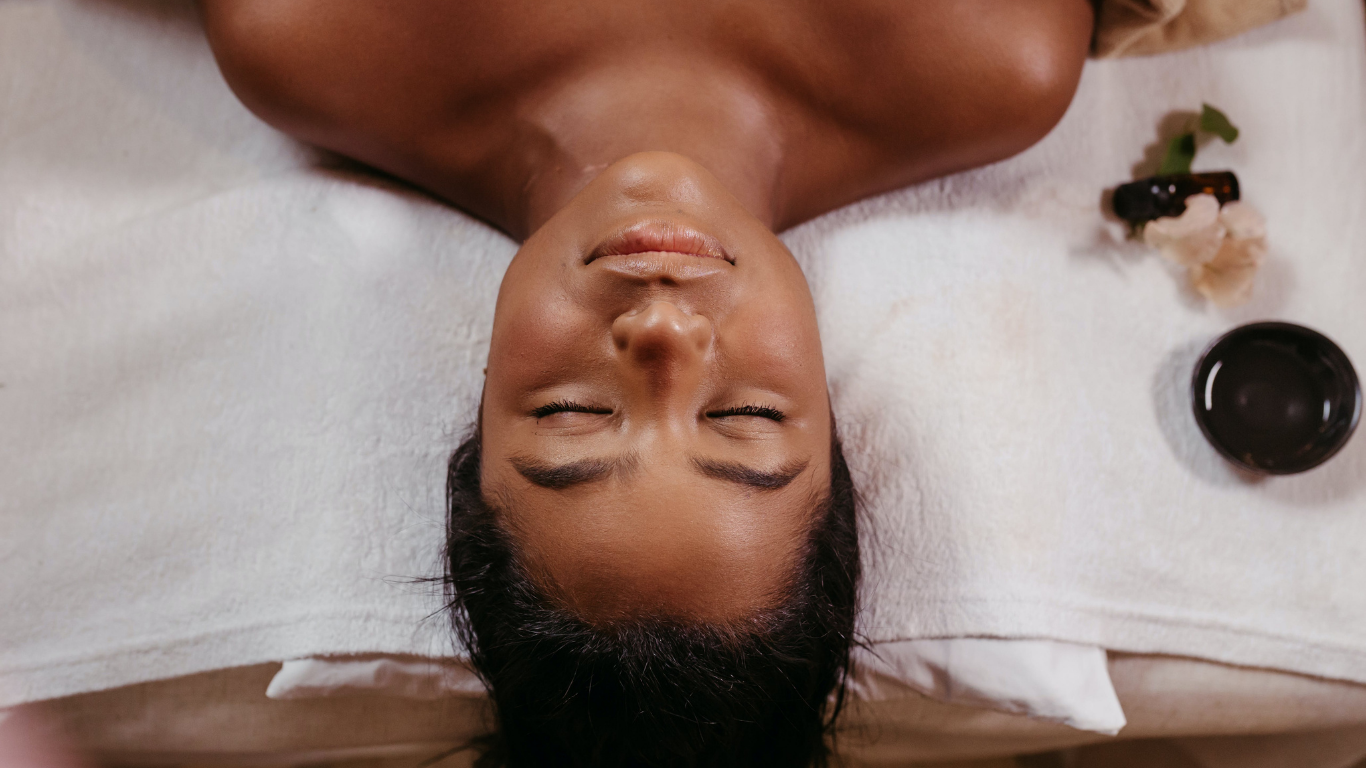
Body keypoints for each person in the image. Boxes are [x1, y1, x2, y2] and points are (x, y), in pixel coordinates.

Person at [199, 2, 1094, 765]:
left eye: (572, 413)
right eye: (744, 414)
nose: (663, 333)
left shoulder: (311, 33)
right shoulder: (994, 52)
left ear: (477, 417)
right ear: (835, 429)